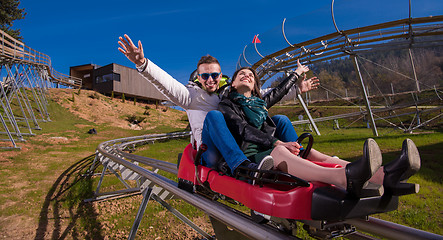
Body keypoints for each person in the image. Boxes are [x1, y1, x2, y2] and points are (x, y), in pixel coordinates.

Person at [117, 34, 320, 175]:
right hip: (211, 153)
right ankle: (243, 167)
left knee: (278, 120)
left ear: (221, 76)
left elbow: (262, 97)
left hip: (235, 144)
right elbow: (167, 84)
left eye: (214, 75)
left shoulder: (227, 94)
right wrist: (143, 64)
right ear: (199, 77)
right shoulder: (190, 96)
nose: (210, 80)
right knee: (215, 117)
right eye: (205, 76)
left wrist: (296, 89)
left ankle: (303, 159)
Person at [218, 67, 421, 196]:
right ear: (233, 83)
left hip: (270, 147)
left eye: (251, 75)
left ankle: (384, 175)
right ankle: (343, 177)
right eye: (241, 74)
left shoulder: (260, 104)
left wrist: (295, 75)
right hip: (253, 154)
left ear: (255, 87)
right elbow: (242, 129)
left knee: (311, 153)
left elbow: (278, 92)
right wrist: (277, 143)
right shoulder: (227, 105)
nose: (247, 75)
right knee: (281, 152)